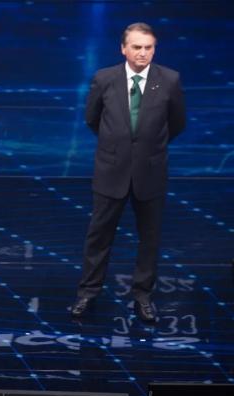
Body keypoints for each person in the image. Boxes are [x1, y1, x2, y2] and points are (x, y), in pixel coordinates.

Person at [70, 22, 186, 322]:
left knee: (150, 239)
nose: (143, 53)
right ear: (124, 48)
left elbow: (177, 123)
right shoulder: (104, 78)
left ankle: (143, 296)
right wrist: (118, 147)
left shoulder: (170, 80)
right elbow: (92, 119)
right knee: (98, 237)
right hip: (111, 171)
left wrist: (148, 148)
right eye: (137, 47)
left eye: (148, 48)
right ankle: (87, 293)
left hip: (151, 171)